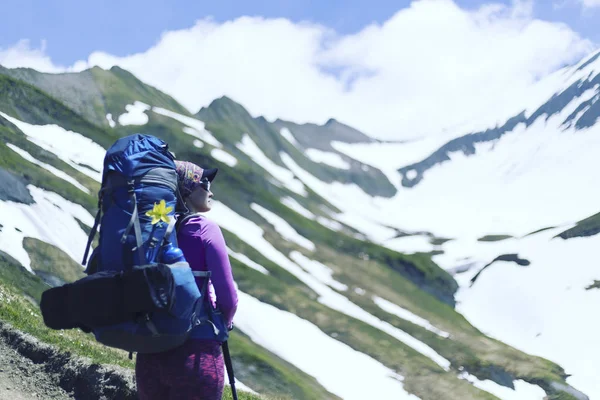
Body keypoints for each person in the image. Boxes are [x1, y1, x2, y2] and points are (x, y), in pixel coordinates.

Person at [135, 160, 239, 400]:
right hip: (197, 354)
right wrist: (225, 321)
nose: (210, 190)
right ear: (188, 188)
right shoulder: (204, 229)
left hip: (150, 352)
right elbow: (229, 299)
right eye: (204, 182)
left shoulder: (153, 228)